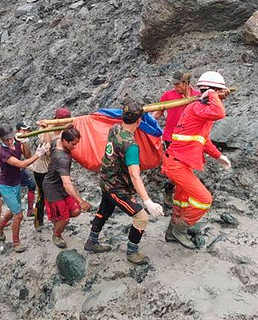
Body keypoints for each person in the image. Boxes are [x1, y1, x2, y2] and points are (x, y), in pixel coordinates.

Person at [84, 99, 164, 265]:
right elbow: (135, 176)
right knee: (141, 218)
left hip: (106, 179)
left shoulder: (115, 129)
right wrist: (147, 201)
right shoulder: (131, 146)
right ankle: (132, 251)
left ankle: (91, 241)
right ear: (139, 121)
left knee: (104, 210)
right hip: (116, 188)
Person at [161, 71, 232, 249]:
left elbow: (204, 139)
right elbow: (219, 112)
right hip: (176, 164)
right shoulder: (197, 108)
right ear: (209, 92)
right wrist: (213, 95)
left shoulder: (199, 110)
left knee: (181, 199)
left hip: (181, 163)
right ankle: (180, 230)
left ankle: (171, 232)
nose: (220, 96)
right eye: (217, 93)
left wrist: (218, 156)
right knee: (204, 199)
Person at [0, 124, 48, 253]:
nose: (10, 141)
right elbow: (21, 164)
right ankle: (16, 243)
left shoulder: (16, 142)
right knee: (18, 215)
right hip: (5, 185)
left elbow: (27, 155)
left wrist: (24, 143)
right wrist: (38, 154)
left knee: (13, 210)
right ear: (1, 139)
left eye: (11, 138)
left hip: (15, 182)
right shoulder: (3, 152)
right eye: (6, 139)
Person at [152, 71, 201, 208]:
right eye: (173, 84)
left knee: (187, 167)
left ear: (186, 83)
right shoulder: (169, 95)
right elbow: (158, 112)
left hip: (190, 139)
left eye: (177, 84)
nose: (175, 87)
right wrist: (144, 122)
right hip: (171, 138)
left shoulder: (198, 96)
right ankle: (170, 188)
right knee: (176, 167)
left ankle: (181, 192)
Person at [43, 128, 91, 248]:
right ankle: (57, 234)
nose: (75, 147)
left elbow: (48, 147)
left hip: (60, 184)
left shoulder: (56, 141)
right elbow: (67, 184)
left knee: (75, 211)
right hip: (52, 188)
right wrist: (81, 201)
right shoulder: (62, 158)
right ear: (65, 141)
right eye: (73, 144)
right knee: (65, 219)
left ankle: (57, 219)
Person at [31, 107, 72, 232]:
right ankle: (38, 220)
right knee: (42, 196)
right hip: (42, 169)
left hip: (55, 169)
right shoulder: (45, 130)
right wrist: (46, 129)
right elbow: (47, 152)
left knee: (57, 195)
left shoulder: (65, 132)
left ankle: (57, 219)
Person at [15, 122, 36, 217]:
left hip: (19, 168)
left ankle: (30, 210)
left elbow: (27, 155)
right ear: (18, 131)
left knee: (31, 185)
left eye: (26, 130)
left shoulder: (21, 141)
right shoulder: (12, 141)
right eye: (23, 130)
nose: (26, 132)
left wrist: (24, 142)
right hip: (11, 169)